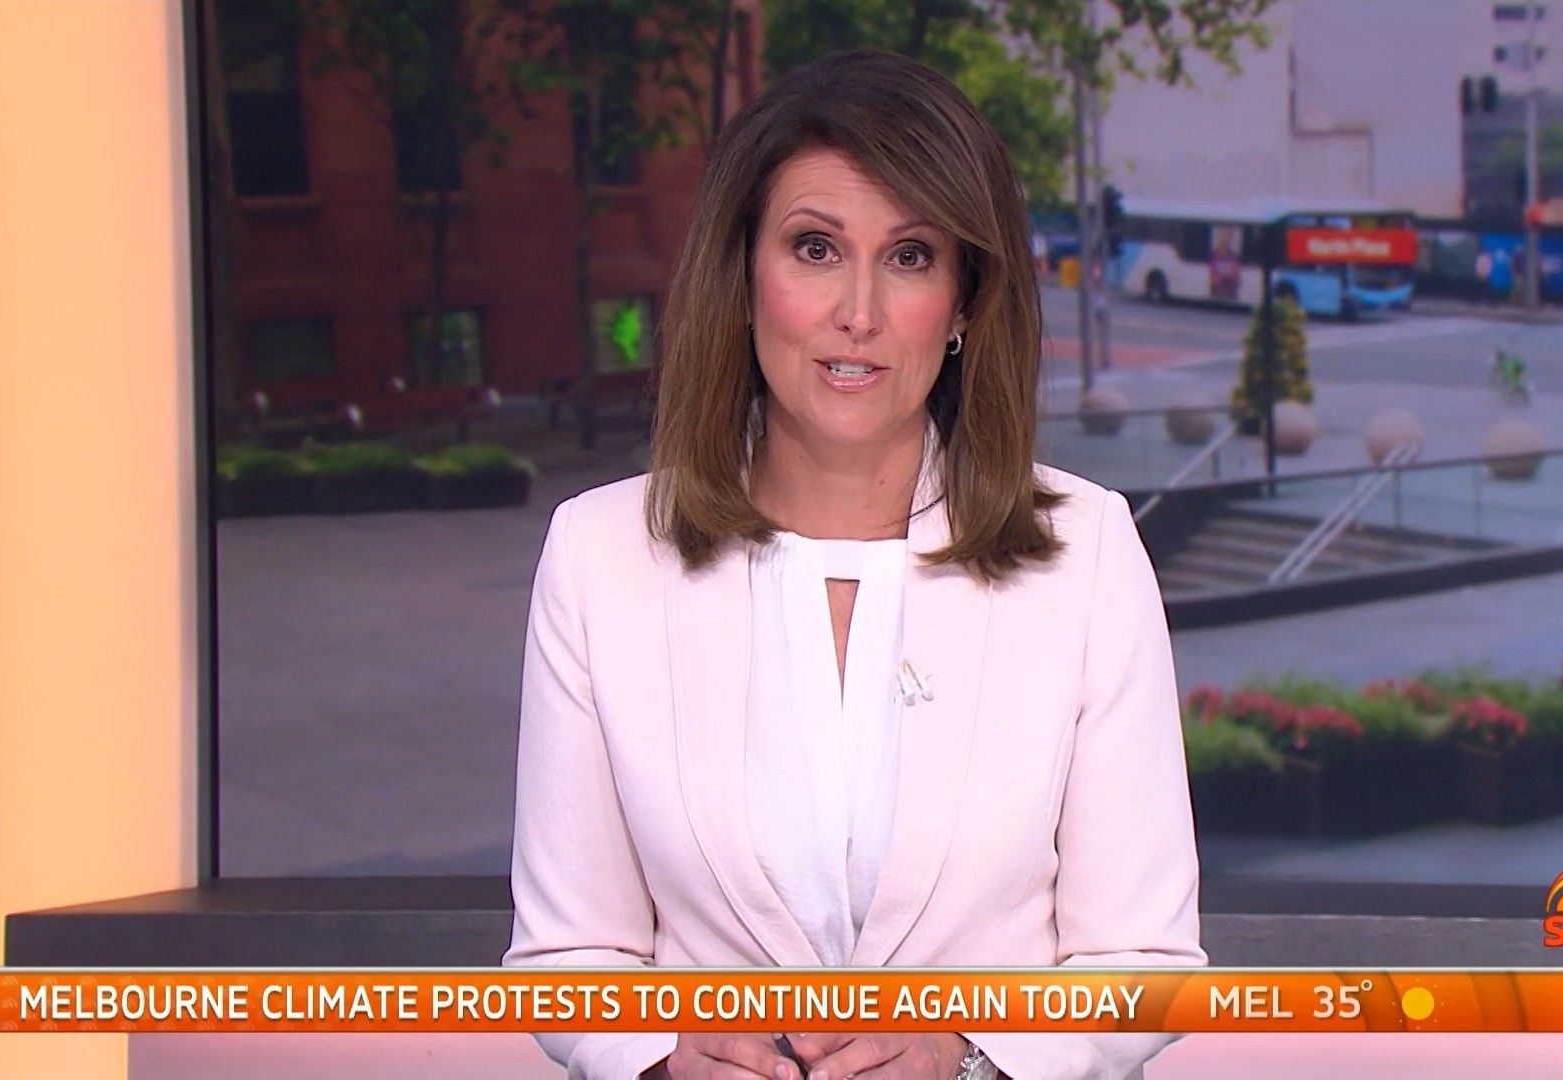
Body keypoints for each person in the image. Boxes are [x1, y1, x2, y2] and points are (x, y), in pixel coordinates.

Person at [503, 51, 1204, 1080]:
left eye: (910, 256)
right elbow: (568, 957)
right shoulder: (599, 554)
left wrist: (969, 1053)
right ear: (744, 278)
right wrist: (661, 1060)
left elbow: (1143, 962)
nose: (859, 312)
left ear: (963, 303)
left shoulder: (1085, 550)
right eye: (816, 248)